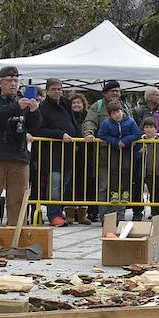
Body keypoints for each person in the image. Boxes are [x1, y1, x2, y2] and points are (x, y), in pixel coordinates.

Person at [0, 66, 42, 226]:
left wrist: (34, 111)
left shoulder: (21, 100)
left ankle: (16, 234)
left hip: (18, 156)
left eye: (16, 80)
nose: (13, 84)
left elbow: (33, 126)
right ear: (0, 83)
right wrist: (16, 107)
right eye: (9, 81)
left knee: (18, 200)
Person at [34, 78, 83, 227]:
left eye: (59, 89)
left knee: (65, 183)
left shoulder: (64, 104)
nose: (57, 92)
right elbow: (39, 129)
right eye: (54, 89)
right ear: (47, 90)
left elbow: (73, 123)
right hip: (53, 153)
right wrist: (60, 134)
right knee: (55, 184)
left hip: (69, 152)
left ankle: (59, 211)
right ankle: (53, 214)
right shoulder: (43, 108)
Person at [83, 80, 121, 222]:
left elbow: (131, 123)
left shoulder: (123, 107)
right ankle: (105, 218)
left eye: (117, 91)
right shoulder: (97, 106)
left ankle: (118, 217)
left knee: (119, 187)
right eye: (113, 91)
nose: (116, 93)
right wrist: (88, 133)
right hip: (103, 154)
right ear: (105, 93)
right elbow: (89, 122)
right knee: (103, 186)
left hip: (121, 154)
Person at [97, 101, 143, 218]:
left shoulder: (130, 121)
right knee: (113, 169)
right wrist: (116, 142)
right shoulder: (107, 123)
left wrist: (125, 140)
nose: (117, 115)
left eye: (118, 111)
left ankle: (125, 191)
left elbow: (137, 133)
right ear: (110, 115)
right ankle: (115, 192)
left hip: (127, 149)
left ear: (122, 110)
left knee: (126, 169)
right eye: (113, 113)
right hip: (114, 149)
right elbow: (102, 134)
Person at [69, 93, 94, 223]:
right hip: (69, 155)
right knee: (70, 184)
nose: (76, 105)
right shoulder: (68, 117)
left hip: (85, 155)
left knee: (84, 183)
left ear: (84, 104)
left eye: (79, 102)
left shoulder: (87, 117)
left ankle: (83, 214)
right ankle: (70, 214)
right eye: (74, 103)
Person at [140, 117, 159, 208]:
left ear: (156, 128)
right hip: (148, 173)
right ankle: (154, 212)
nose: (149, 129)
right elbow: (136, 155)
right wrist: (139, 152)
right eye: (146, 127)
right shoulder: (141, 141)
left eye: (151, 127)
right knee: (152, 192)